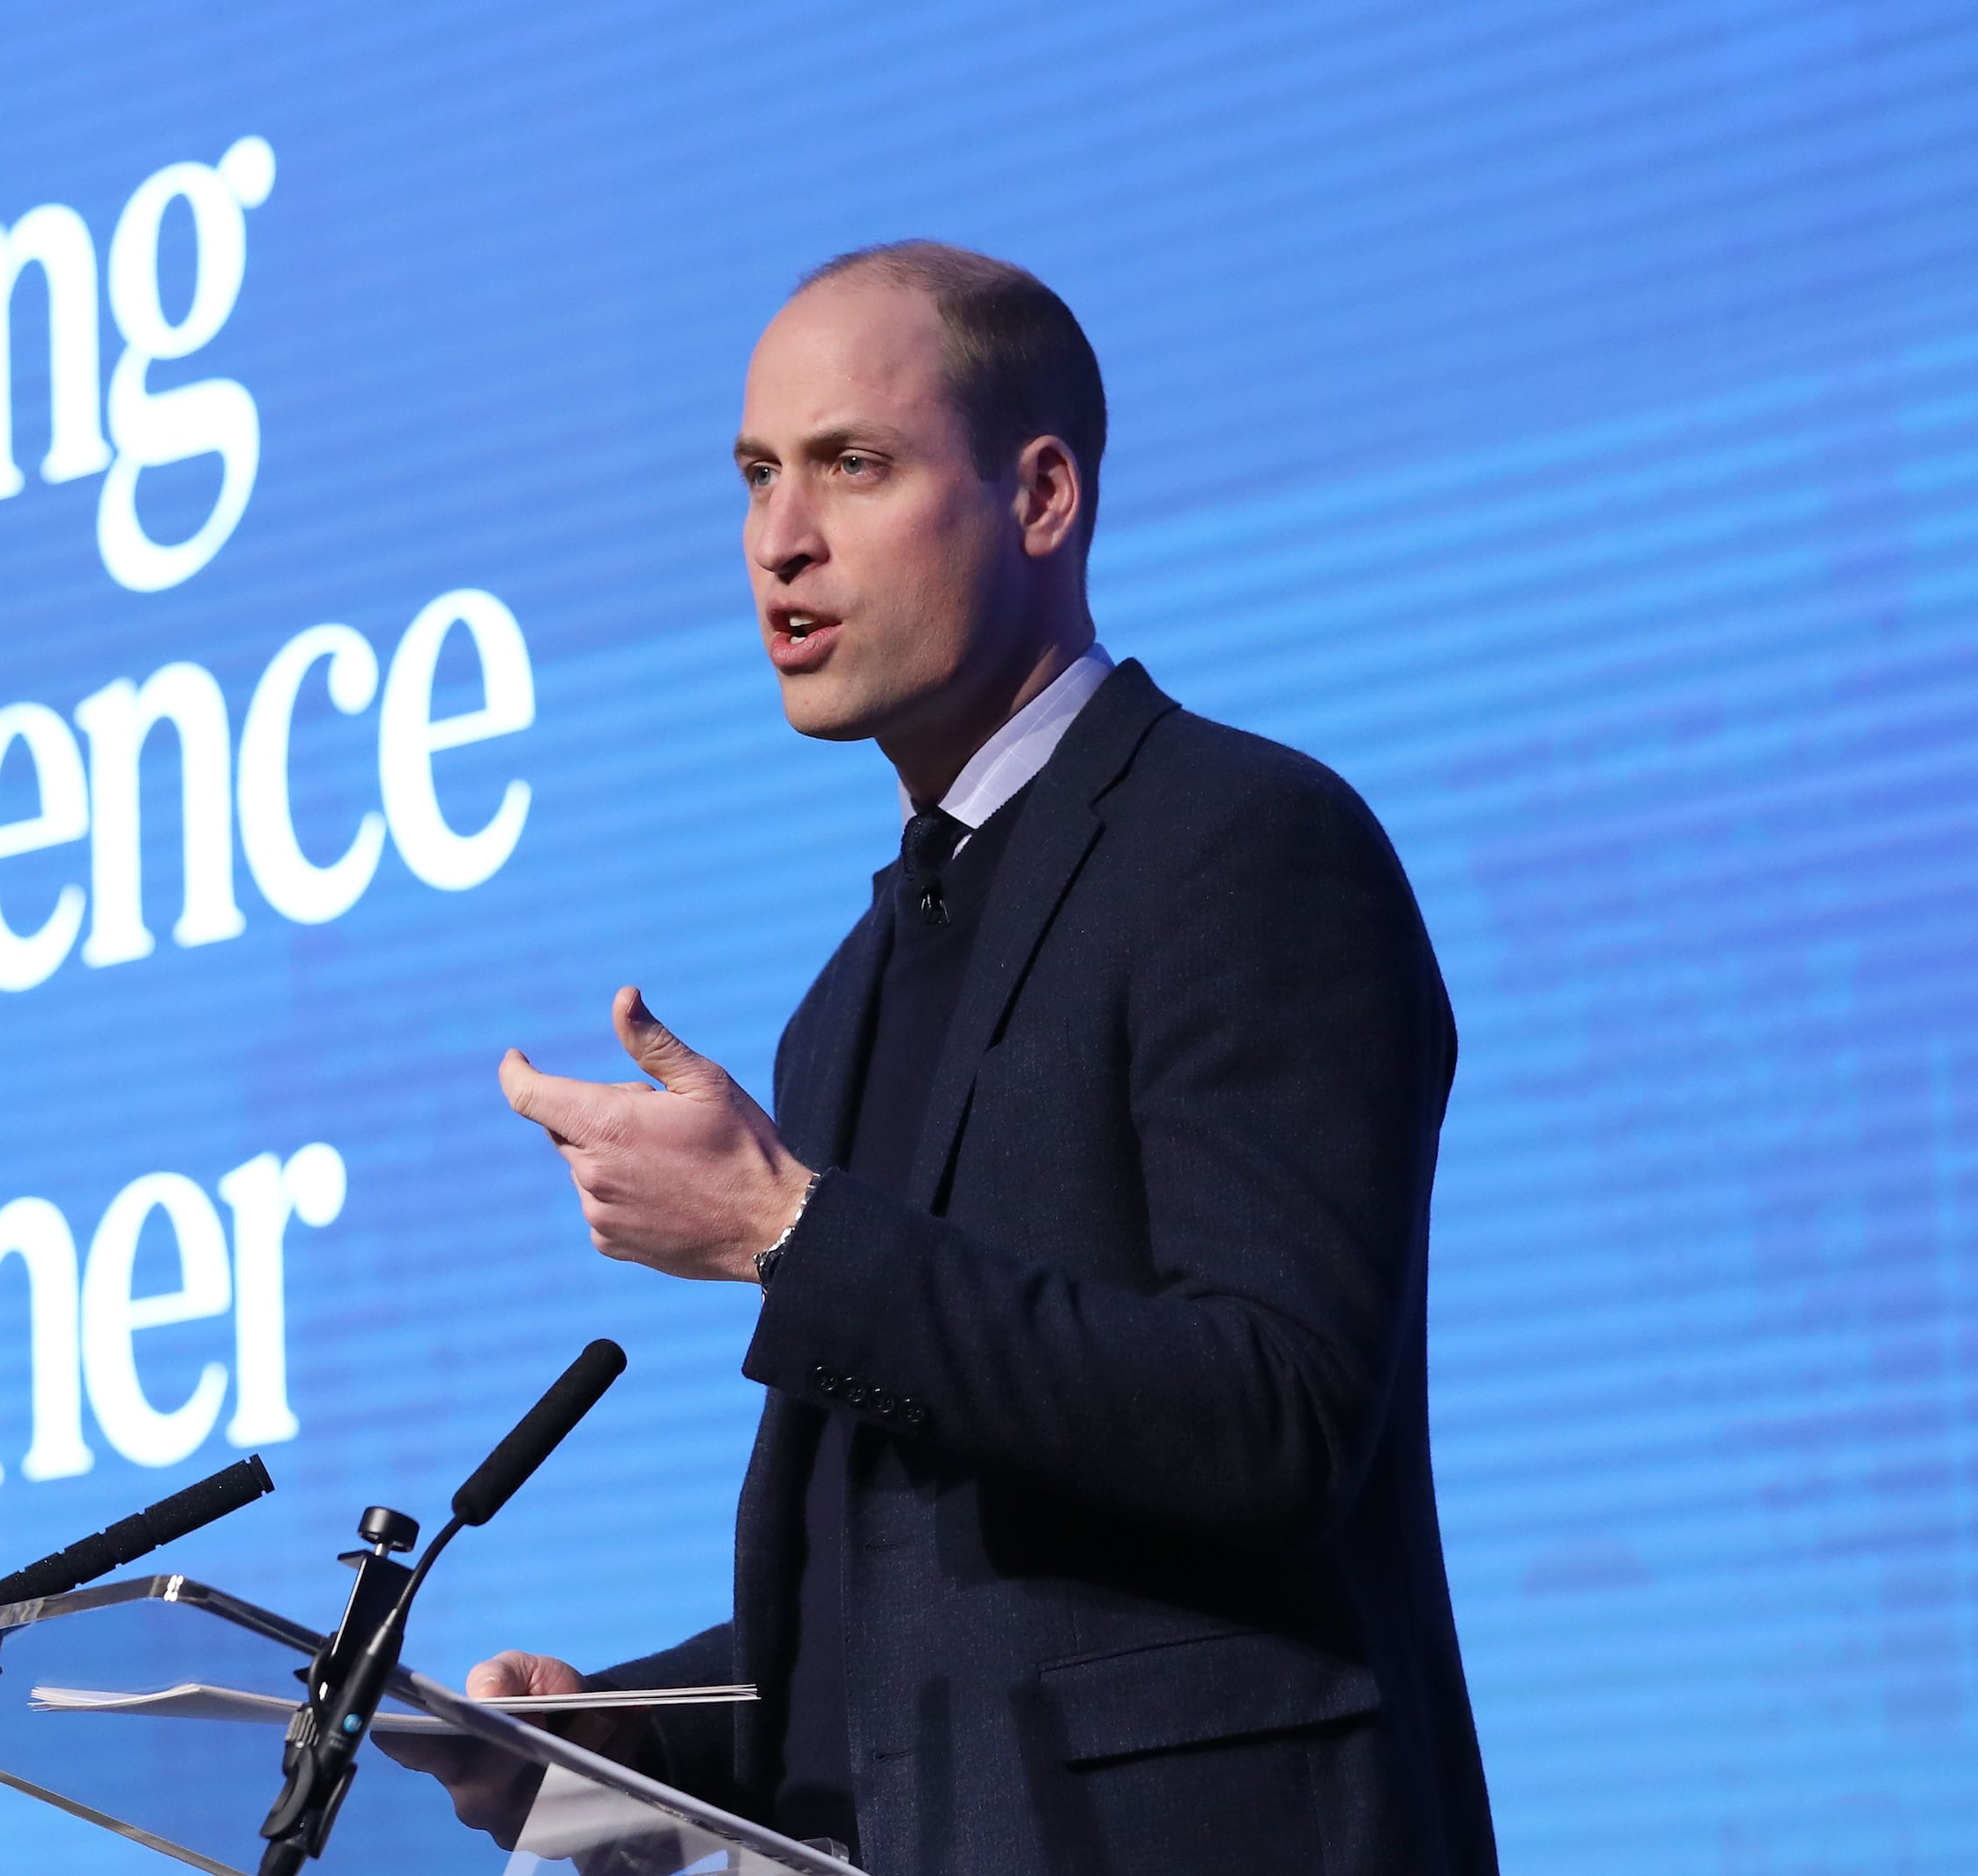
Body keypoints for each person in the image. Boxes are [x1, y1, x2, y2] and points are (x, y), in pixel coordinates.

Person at [478, 243, 1498, 1874]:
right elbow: (909, 1613)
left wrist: (787, 1233)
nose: (778, 540)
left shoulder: (1244, 844)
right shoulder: (849, 992)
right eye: (755, 477)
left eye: (851, 467)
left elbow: (1279, 1413)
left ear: (1041, 497)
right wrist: (588, 1744)